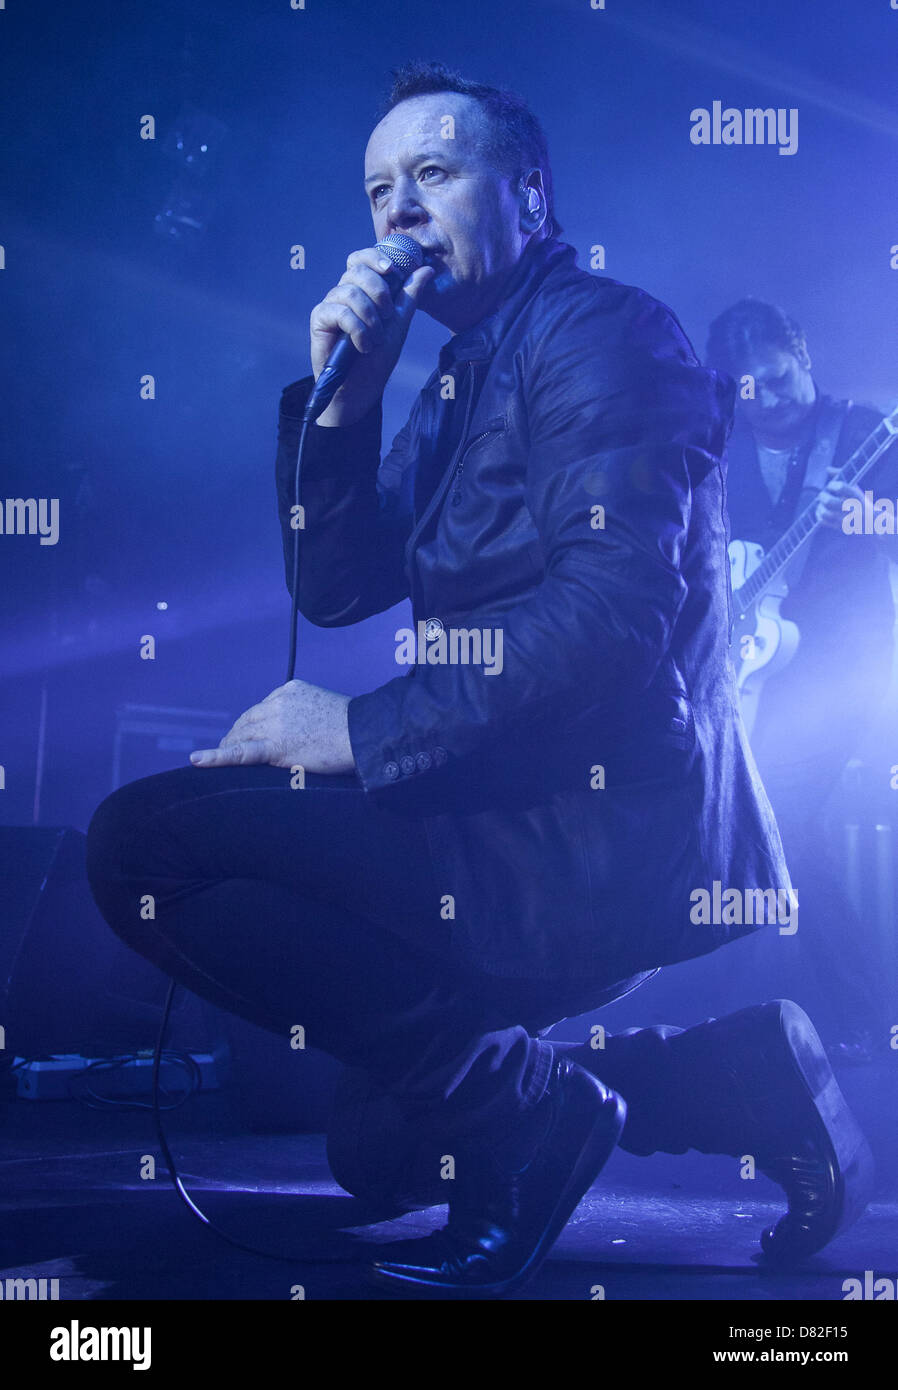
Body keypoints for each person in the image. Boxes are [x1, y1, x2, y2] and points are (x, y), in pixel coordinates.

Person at [86, 62, 872, 1298]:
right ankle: (732, 1073)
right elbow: (335, 583)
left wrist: (359, 724)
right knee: (380, 1150)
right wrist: (346, 393)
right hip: (503, 817)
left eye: (434, 174)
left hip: (593, 832)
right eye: (377, 189)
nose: (396, 209)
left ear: (530, 193)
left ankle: (526, 1110)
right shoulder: (460, 374)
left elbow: (609, 614)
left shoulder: (609, 336)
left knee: (140, 844)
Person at [706, 300, 898, 1056]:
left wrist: (873, 518)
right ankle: (782, 1018)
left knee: (777, 814)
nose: (770, 398)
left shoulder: (864, 434)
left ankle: (864, 1010)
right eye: (749, 387)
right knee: (743, 823)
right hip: (756, 671)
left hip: (844, 670)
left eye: (780, 378)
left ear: (805, 358)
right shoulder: (721, 449)